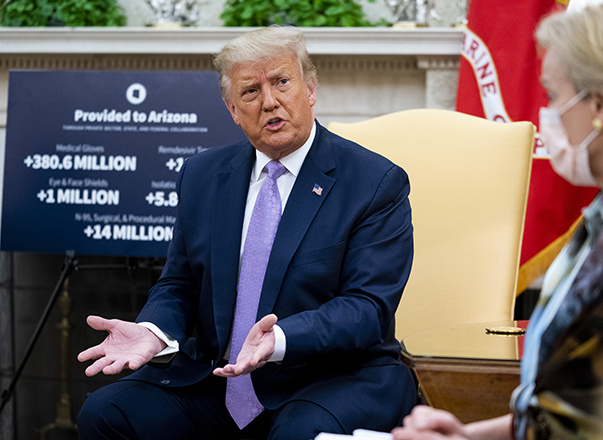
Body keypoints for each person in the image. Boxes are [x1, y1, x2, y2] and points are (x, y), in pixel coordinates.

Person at [77, 25, 417, 440]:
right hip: (220, 377)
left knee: (297, 435)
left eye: (282, 82)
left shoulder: (374, 181)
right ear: (233, 110)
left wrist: (280, 339)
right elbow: (180, 283)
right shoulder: (202, 175)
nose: (269, 101)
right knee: (106, 413)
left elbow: (367, 307)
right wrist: (154, 331)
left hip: (332, 377)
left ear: (310, 89)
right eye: (251, 91)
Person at [391, 1, 603, 439]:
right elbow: (567, 409)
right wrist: (466, 435)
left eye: (552, 96)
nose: (543, 117)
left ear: (599, 105)